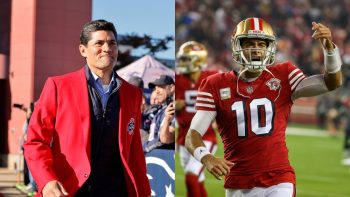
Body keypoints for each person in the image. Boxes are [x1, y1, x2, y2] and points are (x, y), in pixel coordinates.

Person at [185, 17, 343, 197]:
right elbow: (193, 135)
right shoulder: (214, 84)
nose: (256, 49)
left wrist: (329, 48)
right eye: (249, 43)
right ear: (237, 46)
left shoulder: (284, 75)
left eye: (262, 44)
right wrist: (206, 157)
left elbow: (332, 82)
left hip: (278, 178)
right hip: (237, 182)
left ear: (269, 47)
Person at [24, 19, 151, 197]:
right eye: (99, 43)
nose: (106, 48)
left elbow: (134, 150)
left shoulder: (133, 94)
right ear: (83, 50)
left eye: (112, 43)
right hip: (70, 189)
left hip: (117, 190)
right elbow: (36, 141)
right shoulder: (58, 86)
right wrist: (46, 180)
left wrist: (143, 192)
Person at [175, 41, 218, 197]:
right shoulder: (177, 79)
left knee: (191, 176)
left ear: (198, 60)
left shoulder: (212, 78)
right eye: (182, 59)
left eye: (187, 59)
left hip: (204, 136)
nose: (182, 63)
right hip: (183, 138)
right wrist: (174, 105)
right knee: (197, 179)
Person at [143, 75, 175, 152]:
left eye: (160, 87)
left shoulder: (176, 109)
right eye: (155, 88)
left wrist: (145, 148)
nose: (156, 91)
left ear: (171, 88)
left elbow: (165, 139)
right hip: (152, 157)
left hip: (165, 158)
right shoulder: (160, 110)